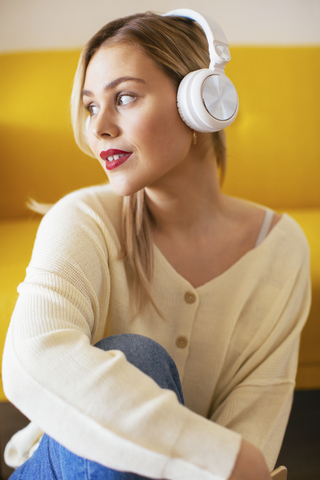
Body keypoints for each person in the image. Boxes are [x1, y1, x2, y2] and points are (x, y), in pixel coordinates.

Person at [2, 9, 310, 480]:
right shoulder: (83, 217)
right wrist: (217, 458)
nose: (99, 126)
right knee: (137, 358)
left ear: (201, 102)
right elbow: (32, 356)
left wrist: (230, 462)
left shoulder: (281, 249)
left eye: (123, 98)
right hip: (63, 468)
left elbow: (255, 431)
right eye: (90, 106)